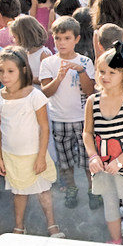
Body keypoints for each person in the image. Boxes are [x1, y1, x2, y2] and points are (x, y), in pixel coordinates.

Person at [0, 46, 62, 237]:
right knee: (18, 193)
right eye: (1, 71)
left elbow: (44, 127)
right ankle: (19, 226)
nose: (5, 76)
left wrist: (41, 157)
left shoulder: (34, 95)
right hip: (11, 155)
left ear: (22, 70)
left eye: (10, 71)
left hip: (34, 154)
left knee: (43, 192)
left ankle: (52, 225)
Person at [80, 47, 123, 245]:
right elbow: (87, 132)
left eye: (112, 72)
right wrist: (92, 156)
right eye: (101, 72)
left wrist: (120, 161)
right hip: (102, 166)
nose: (105, 76)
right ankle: (115, 241)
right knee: (109, 205)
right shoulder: (92, 100)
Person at [40, 16, 95, 209]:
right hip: (59, 119)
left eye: (67, 38)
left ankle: (92, 189)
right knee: (65, 161)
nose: (62, 43)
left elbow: (90, 91)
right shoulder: (48, 63)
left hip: (83, 120)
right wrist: (59, 78)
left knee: (88, 160)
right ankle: (71, 188)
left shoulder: (85, 61)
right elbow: (46, 92)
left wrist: (81, 71)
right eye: (58, 38)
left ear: (77, 39)